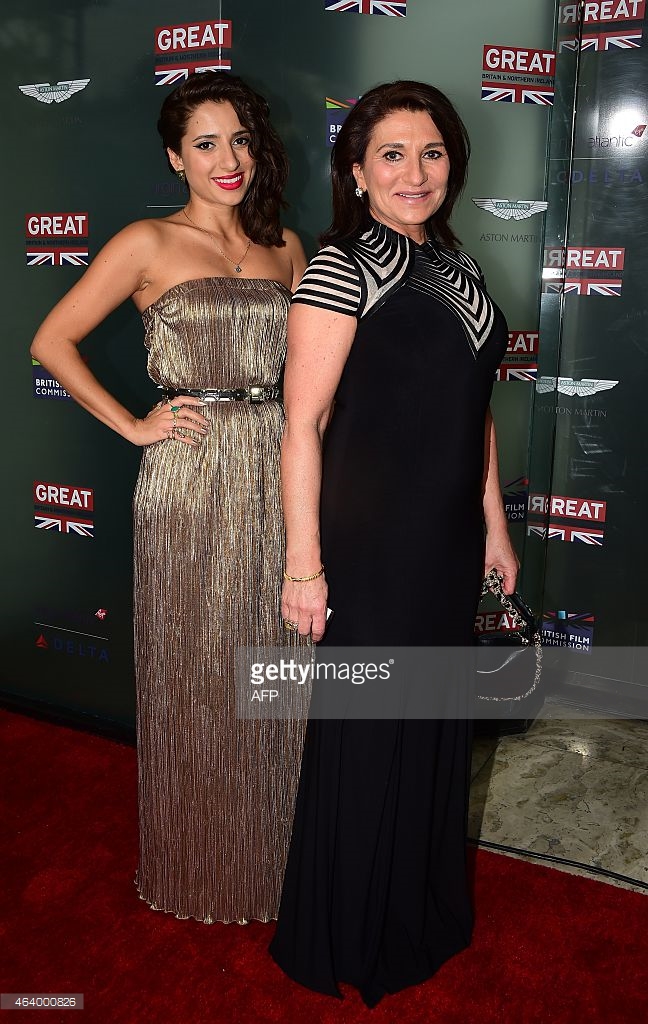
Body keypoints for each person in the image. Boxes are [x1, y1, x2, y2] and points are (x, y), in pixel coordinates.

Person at [30, 71, 307, 924]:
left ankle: (282, 858)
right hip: (190, 478)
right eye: (206, 143)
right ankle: (202, 865)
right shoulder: (146, 242)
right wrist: (132, 424)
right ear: (174, 156)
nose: (229, 160)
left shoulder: (288, 248)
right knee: (198, 669)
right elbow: (51, 340)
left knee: (280, 669)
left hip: (279, 468)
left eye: (241, 140)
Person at [269, 80, 518, 1004]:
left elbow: (475, 412)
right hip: (371, 545)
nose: (416, 173)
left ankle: (417, 910)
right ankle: (350, 933)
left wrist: (494, 526)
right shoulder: (342, 266)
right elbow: (304, 423)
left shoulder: (462, 267)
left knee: (431, 724)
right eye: (392, 155)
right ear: (357, 170)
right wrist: (305, 565)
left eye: (433, 153)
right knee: (372, 731)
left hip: (445, 539)